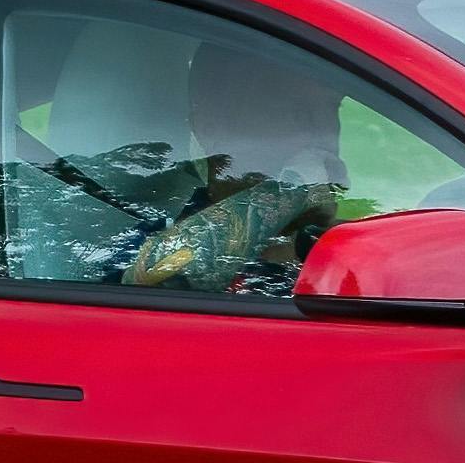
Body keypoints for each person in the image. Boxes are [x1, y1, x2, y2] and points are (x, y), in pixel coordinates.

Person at [124, 41, 347, 294]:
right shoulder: (152, 241)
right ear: (210, 125)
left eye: (331, 108)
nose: (323, 131)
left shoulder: (344, 250)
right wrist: (294, 191)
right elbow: (148, 276)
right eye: (293, 111)